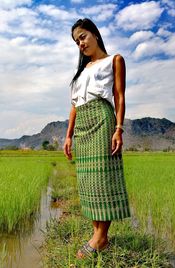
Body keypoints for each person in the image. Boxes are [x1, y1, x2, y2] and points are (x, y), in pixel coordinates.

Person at [63, 18, 131, 259]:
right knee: (88, 181)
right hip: (82, 123)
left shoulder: (114, 60)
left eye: (82, 37)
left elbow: (119, 96)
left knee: (103, 178)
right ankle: (98, 236)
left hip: (102, 120)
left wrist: (119, 128)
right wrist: (68, 135)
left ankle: (100, 238)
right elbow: (73, 106)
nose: (80, 43)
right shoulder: (80, 72)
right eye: (76, 41)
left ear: (95, 34)